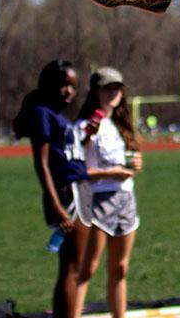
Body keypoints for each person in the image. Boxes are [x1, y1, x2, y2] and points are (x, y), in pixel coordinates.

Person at [12, 60, 93, 318]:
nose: (69, 91)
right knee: (72, 268)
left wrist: (87, 136)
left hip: (81, 189)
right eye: (64, 85)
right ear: (49, 85)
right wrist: (57, 205)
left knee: (75, 266)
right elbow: (42, 163)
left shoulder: (58, 115)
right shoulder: (42, 113)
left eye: (73, 86)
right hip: (67, 193)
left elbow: (69, 152)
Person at [73, 67, 143, 318]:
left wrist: (135, 165)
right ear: (96, 92)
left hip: (126, 199)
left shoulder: (121, 125)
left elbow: (129, 162)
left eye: (117, 89)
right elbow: (77, 171)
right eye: (107, 88)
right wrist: (108, 174)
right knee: (87, 269)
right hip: (98, 200)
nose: (113, 93)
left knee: (120, 268)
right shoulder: (85, 127)